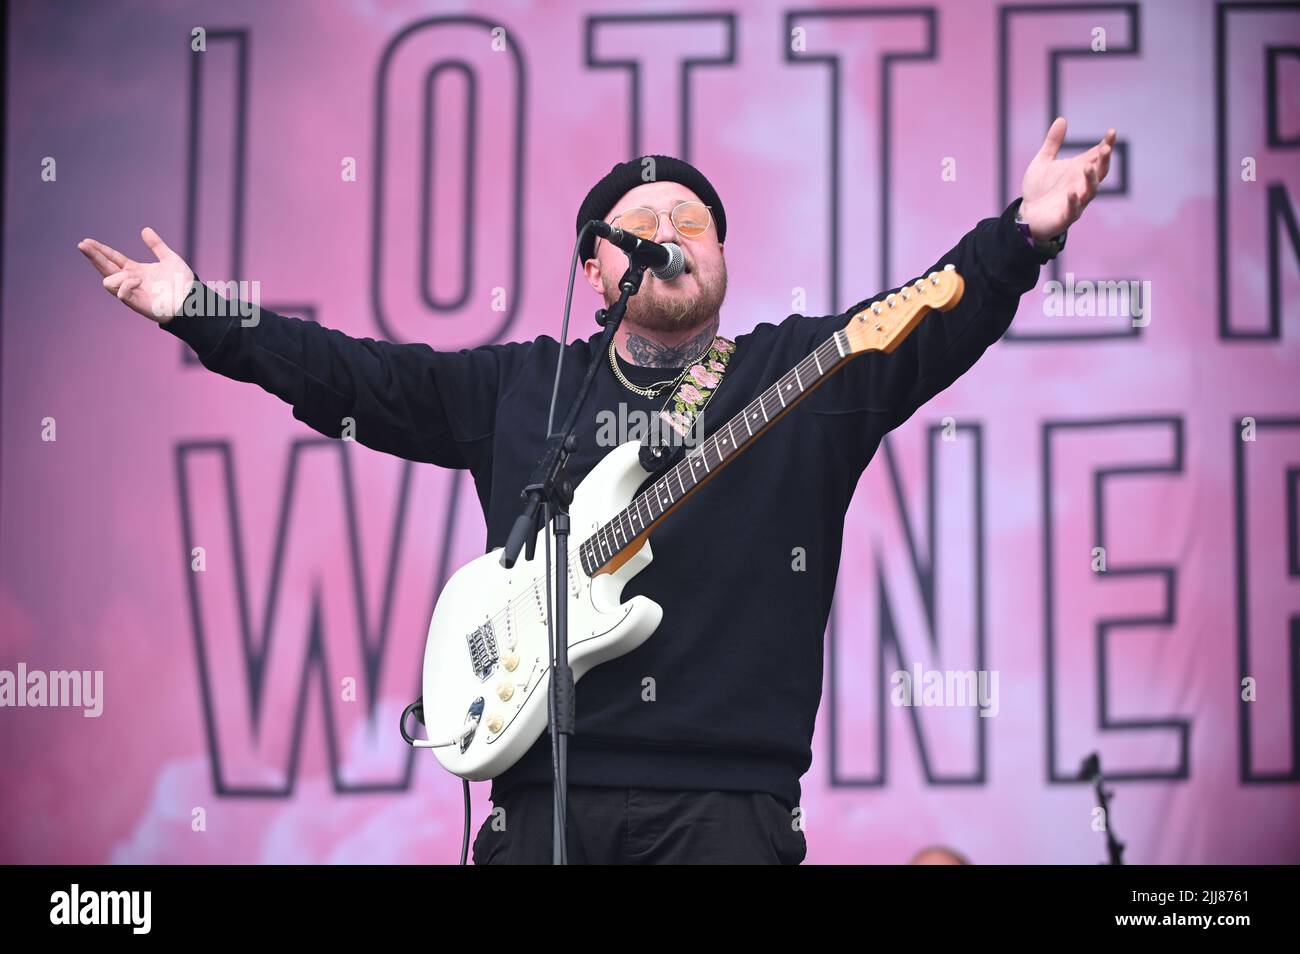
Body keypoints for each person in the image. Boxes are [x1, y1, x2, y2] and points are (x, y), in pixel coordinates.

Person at [77, 118, 1115, 865]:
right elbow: (362, 379)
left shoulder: (799, 377)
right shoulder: (528, 387)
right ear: (593, 267)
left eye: (693, 220)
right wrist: (205, 316)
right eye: (641, 221)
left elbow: (930, 313)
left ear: (719, 257)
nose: (672, 230)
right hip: (541, 802)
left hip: (723, 806)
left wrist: (1022, 237)